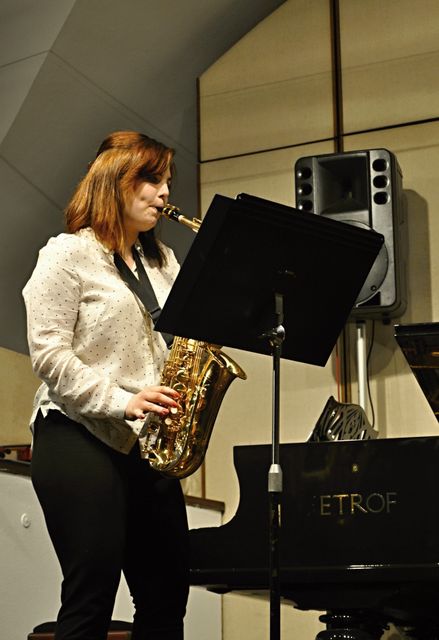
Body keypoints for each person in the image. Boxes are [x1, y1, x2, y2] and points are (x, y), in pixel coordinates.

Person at [23, 131, 189, 640]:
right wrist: (123, 400)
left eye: (167, 181)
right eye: (152, 179)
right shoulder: (66, 254)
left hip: (147, 442)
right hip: (76, 431)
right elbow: (49, 353)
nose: (165, 192)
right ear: (115, 181)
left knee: (167, 602)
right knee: (91, 594)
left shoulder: (164, 262)